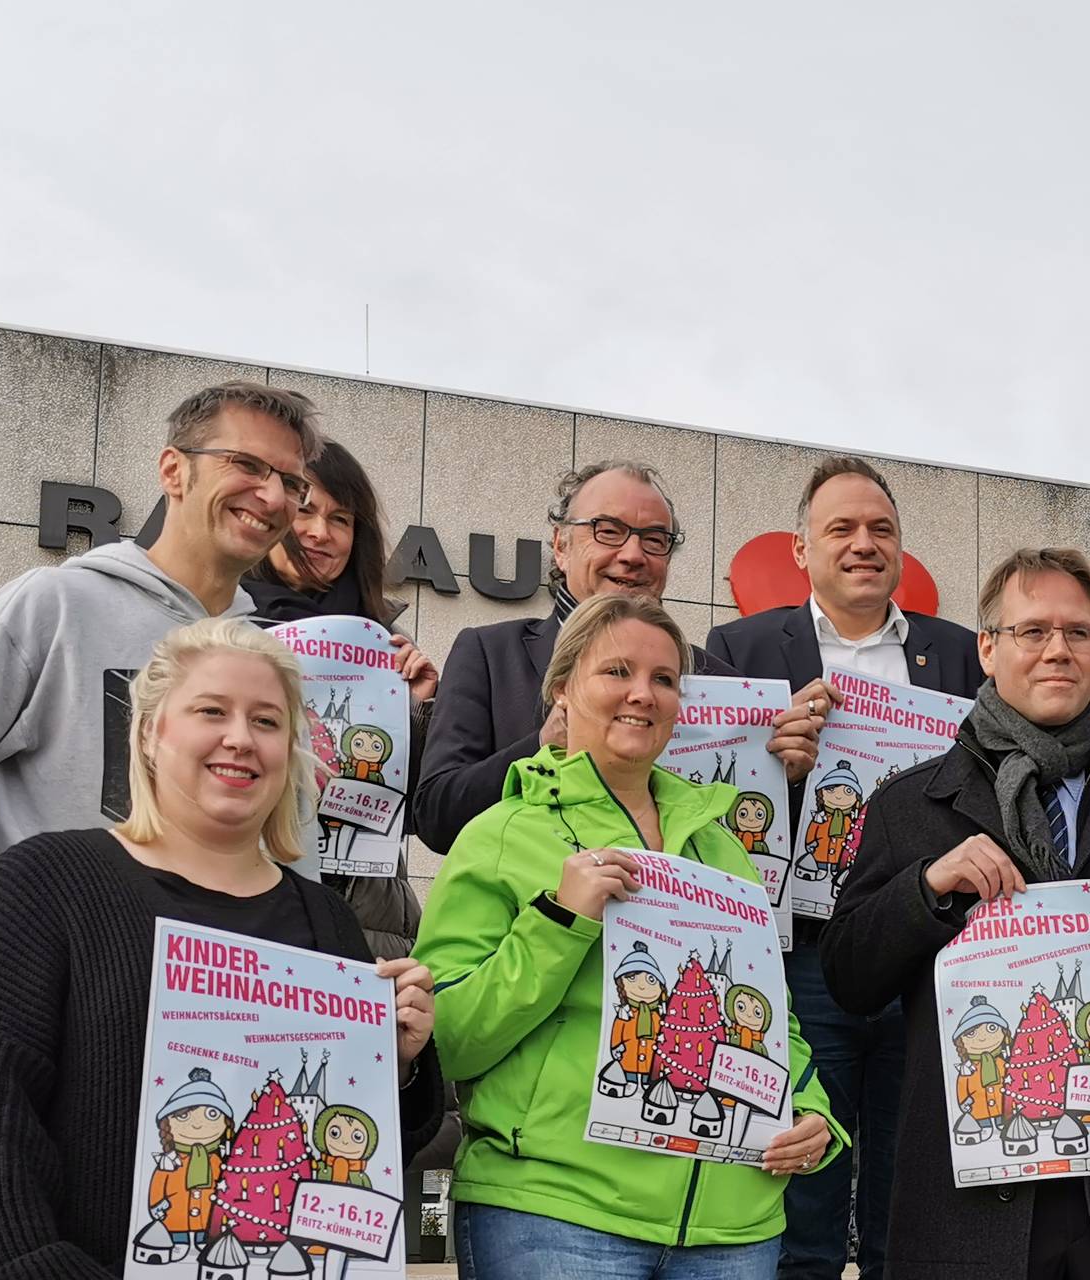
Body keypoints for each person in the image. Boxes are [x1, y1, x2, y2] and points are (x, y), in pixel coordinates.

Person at [0, 618, 445, 1280]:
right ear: (148, 732)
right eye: (211, 711)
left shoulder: (327, 921)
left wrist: (394, 1064)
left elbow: (348, 1151)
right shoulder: (39, 887)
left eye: (266, 721)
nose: (240, 738)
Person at [822, 548, 1090, 1280]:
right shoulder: (910, 804)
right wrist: (926, 888)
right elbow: (849, 977)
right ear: (988, 648)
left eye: (1078, 633)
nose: (1057, 650)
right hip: (970, 1206)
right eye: (1032, 630)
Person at [413, 593, 844, 1280]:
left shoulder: (724, 848)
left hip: (733, 1227)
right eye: (617, 671)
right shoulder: (500, 833)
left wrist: (812, 1112)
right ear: (562, 689)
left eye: (663, 679)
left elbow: (770, 1018)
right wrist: (559, 921)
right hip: (557, 1212)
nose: (642, 694)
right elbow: (449, 1041)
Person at [0, 381, 324, 934]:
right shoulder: (56, 605)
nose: (272, 497)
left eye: (291, 482)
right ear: (174, 471)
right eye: (246, 464)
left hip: (218, 984)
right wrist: (7, 947)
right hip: (69, 980)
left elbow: (291, 845)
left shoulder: (272, 658)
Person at [704, 455, 983, 1280]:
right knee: (807, 1181)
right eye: (842, 529)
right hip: (802, 954)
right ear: (801, 549)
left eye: (880, 529)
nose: (863, 543)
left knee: (913, 1179)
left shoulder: (960, 654)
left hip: (925, 951)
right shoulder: (742, 647)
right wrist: (775, 769)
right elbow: (703, 794)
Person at [413, 460, 727, 854]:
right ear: (562, 547)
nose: (633, 554)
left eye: (654, 539)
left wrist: (788, 776)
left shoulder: (718, 680)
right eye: (608, 531)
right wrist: (544, 743)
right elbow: (437, 817)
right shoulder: (490, 654)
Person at [239, 436, 441, 957]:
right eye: (304, 510)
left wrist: (420, 710)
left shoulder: (385, 644)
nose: (320, 533)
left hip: (367, 915)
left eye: (341, 519)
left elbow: (415, 812)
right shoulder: (217, 627)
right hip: (239, 891)